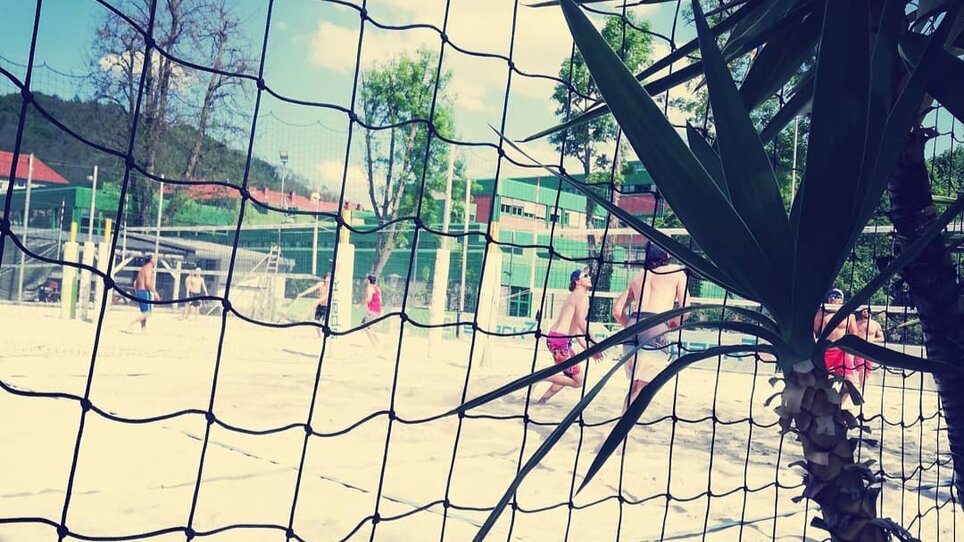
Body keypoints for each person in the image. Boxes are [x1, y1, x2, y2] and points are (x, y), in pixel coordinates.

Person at [612, 243, 688, 413]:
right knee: (644, 388)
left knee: (635, 386)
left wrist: (633, 327)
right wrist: (672, 325)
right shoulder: (676, 272)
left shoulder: (639, 276)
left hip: (633, 326)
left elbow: (617, 311)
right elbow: (685, 310)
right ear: (667, 255)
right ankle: (623, 425)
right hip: (656, 325)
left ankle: (621, 424)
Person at [536, 269, 603, 404]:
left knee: (568, 375)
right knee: (578, 382)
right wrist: (595, 342)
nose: (589, 277)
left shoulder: (574, 296)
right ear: (577, 281)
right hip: (560, 341)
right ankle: (541, 376)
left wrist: (590, 349)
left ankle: (543, 400)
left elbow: (575, 329)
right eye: (585, 276)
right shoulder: (581, 297)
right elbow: (580, 323)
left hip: (558, 340)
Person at [813, 288, 860, 404]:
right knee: (824, 384)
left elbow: (854, 333)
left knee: (850, 384)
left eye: (837, 296)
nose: (834, 298)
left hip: (842, 352)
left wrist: (851, 350)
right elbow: (814, 331)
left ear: (842, 300)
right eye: (831, 295)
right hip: (825, 351)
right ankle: (825, 407)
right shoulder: (821, 313)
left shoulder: (849, 315)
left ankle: (837, 407)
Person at [851, 306, 884, 391]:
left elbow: (882, 338)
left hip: (870, 349)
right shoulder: (856, 323)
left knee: (868, 371)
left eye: (867, 311)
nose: (866, 312)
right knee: (861, 368)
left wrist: (872, 340)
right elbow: (852, 334)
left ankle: (862, 385)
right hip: (859, 348)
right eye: (864, 311)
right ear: (861, 312)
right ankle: (861, 387)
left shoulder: (876, 324)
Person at [128, 255, 161, 332]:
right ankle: (131, 323)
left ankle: (143, 329)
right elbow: (148, 283)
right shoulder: (148, 269)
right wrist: (155, 293)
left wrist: (137, 291)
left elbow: (135, 282)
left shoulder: (143, 269)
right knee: (148, 313)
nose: (156, 260)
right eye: (154, 258)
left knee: (144, 312)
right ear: (151, 260)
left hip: (140, 291)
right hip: (144, 292)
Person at [296, 272, 331, 337]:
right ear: (325, 278)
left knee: (325, 323)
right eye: (327, 278)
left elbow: (327, 296)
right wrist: (302, 294)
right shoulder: (321, 284)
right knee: (316, 322)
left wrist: (319, 300)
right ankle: (319, 336)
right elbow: (312, 289)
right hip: (320, 306)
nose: (328, 280)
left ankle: (326, 335)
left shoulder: (331, 287)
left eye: (330, 278)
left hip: (327, 307)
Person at [359, 274, 381, 346]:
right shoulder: (377, 288)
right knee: (367, 326)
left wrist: (360, 304)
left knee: (366, 327)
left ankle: (375, 344)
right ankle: (378, 342)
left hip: (372, 310)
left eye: (366, 279)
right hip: (377, 310)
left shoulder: (369, 288)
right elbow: (380, 300)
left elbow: (369, 299)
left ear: (368, 280)